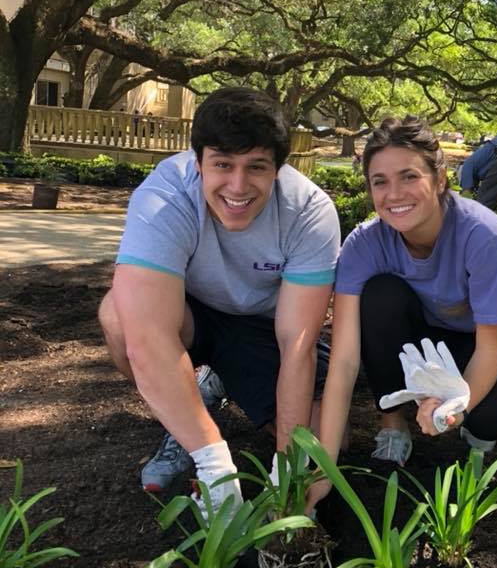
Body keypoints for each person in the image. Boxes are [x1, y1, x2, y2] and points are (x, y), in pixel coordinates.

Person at [98, 86, 340, 511]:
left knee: (321, 439)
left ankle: (207, 391)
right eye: (223, 165)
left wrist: (288, 463)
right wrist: (213, 461)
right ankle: (188, 427)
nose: (238, 185)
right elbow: (148, 336)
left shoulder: (309, 212)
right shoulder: (164, 197)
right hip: (191, 316)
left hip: (262, 329)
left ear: (278, 169)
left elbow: (296, 345)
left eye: (256, 167)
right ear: (198, 164)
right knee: (119, 315)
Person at [309, 114, 497, 500]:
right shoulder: (364, 245)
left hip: (475, 342)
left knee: (491, 416)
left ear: (439, 180)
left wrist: (457, 402)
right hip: (414, 339)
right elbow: (343, 360)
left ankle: (474, 446)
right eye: (380, 182)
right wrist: (325, 467)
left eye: (409, 176)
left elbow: (493, 345)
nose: (394, 194)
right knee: (380, 296)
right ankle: (393, 427)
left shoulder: (483, 234)